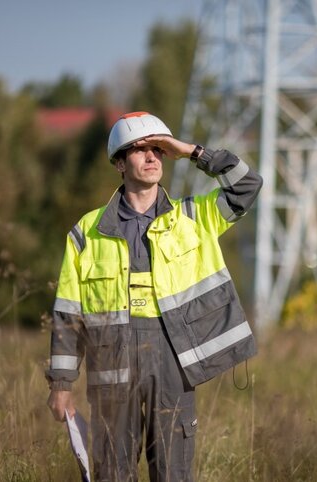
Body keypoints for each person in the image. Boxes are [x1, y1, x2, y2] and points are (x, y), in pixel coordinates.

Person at [45, 111, 263, 481]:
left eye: (158, 151)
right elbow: (68, 314)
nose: (151, 158)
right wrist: (62, 385)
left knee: (172, 473)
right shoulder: (88, 231)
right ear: (118, 162)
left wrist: (191, 151)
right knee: (112, 472)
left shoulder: (194, 216)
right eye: (140, 150)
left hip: (173, 360)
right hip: (111, 363)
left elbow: (247, 185)